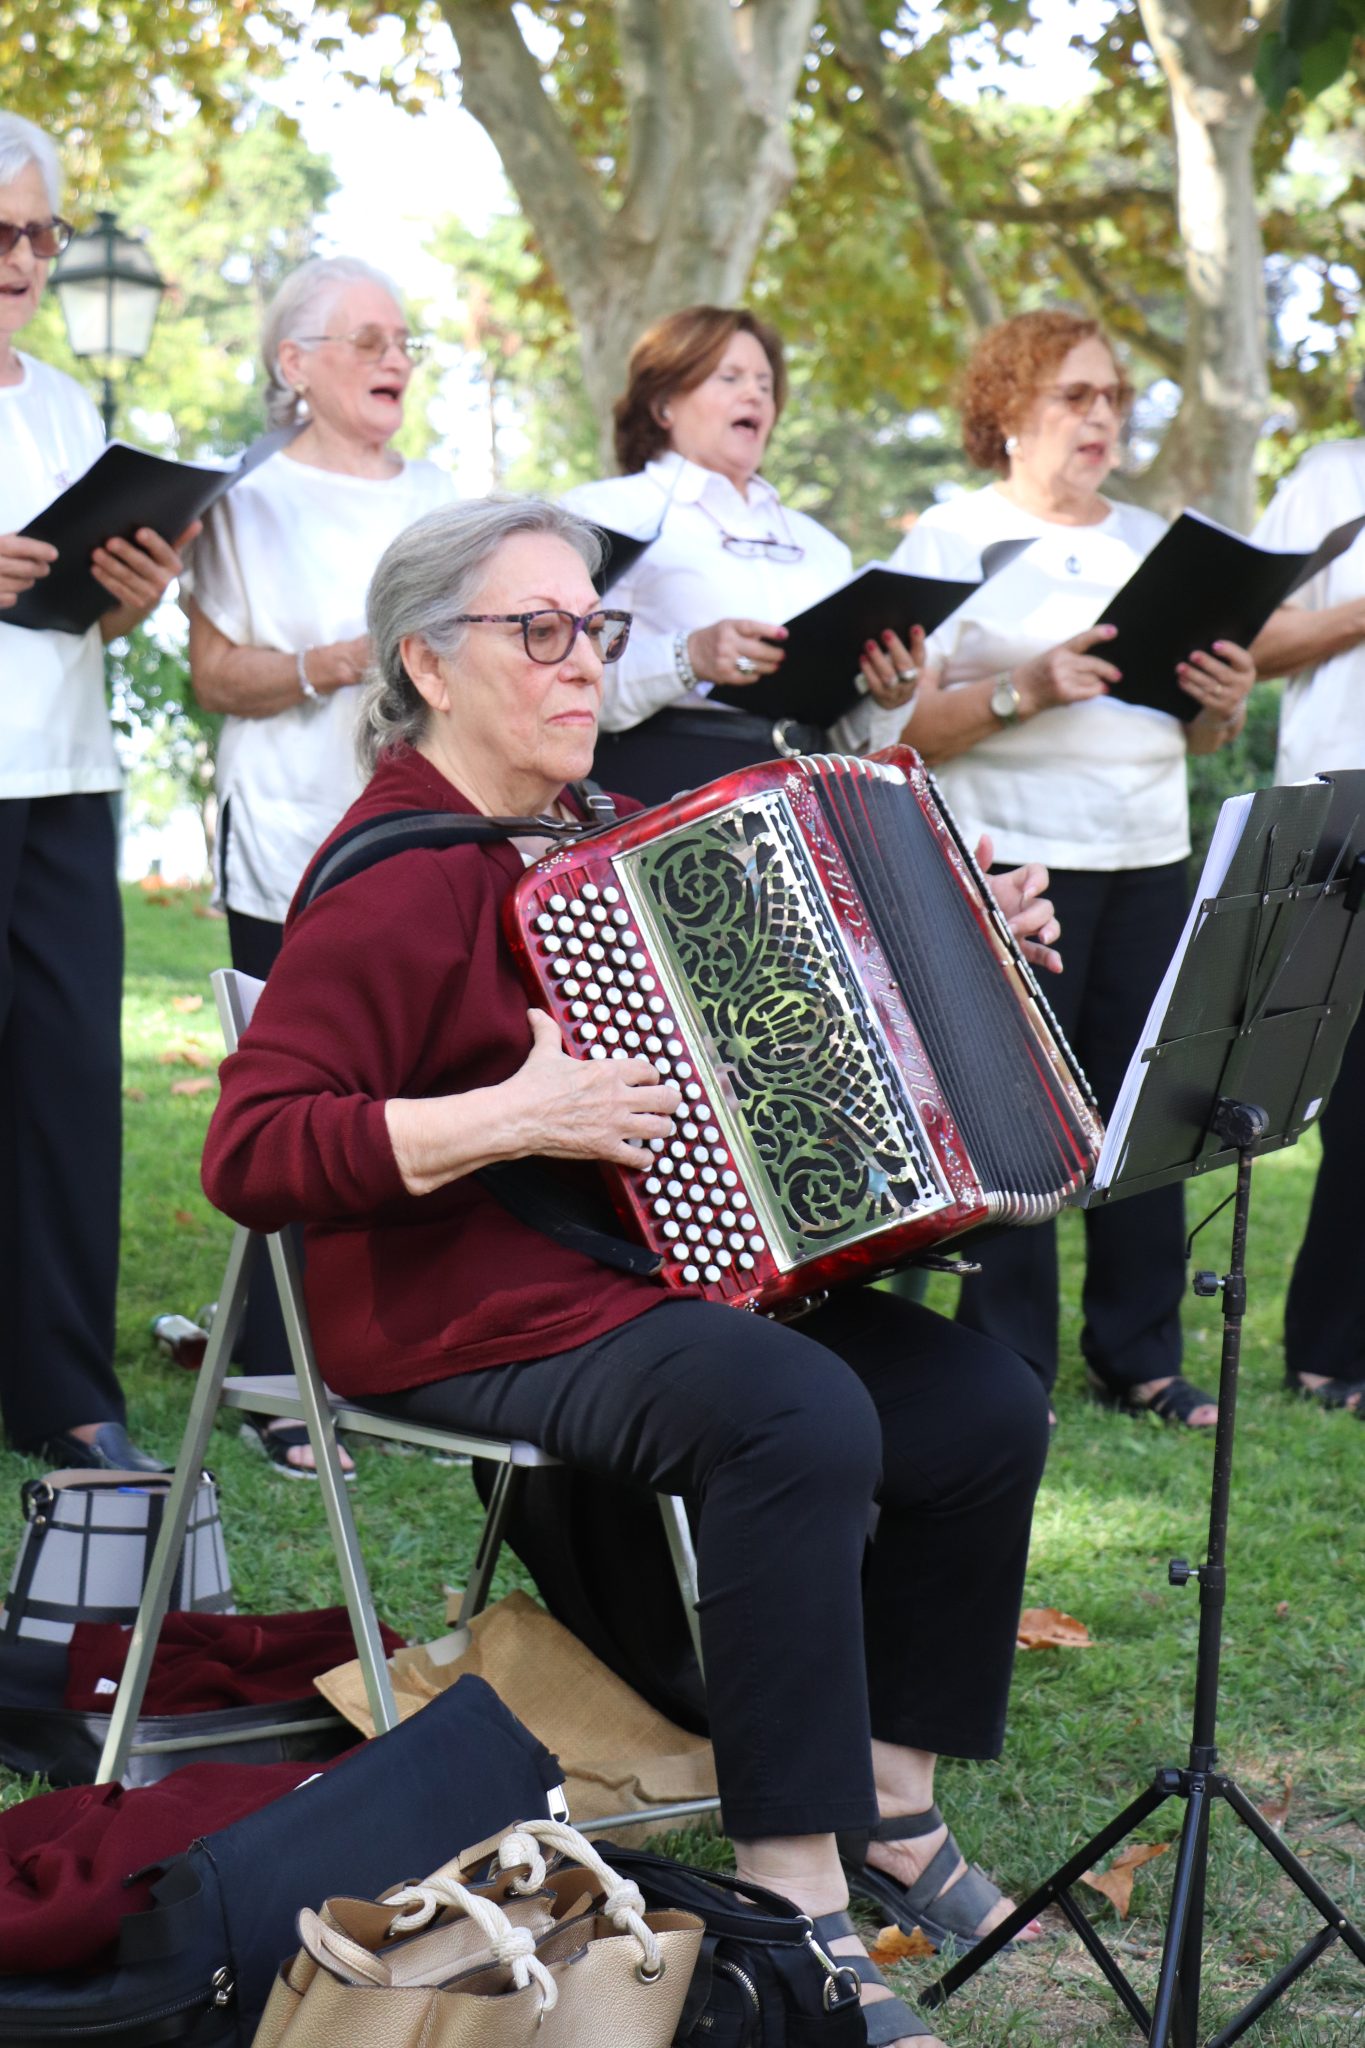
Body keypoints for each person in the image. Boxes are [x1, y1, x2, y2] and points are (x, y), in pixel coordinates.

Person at [201, 497, 1063, 2048]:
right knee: (793, 1412)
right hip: (452, 1300)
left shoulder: (601, 830)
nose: (582, 662)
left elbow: (777, 1021)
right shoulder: (398, 876)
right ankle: (795, 1905)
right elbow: (252, 1149)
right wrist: (504, 1118)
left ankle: (890, 1804)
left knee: (979, 1404)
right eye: (535, 631)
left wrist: (956, 942)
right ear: (428, 666)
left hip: (626, 1265)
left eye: (591, 629)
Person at [864, 311, 1257, 1431]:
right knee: (1019, 1115)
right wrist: (1023, 689)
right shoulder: (953, 537)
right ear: (1007, 409)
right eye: (1072, 396)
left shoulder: (1154, 541)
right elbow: (894, 735)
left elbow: (1194, 737)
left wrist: (1221, 707)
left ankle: (1141, 1356)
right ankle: (1006, 1365)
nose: (1101, 417)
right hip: (1013, 862)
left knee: (1149, 1111)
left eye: (1113, 397)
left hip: (1149, 854)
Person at [184, 253, 456, 1473]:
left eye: (404, 340)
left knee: (427, 1089)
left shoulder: (446, 499)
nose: (395, 358)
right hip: (292, 833)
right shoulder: (245, 501)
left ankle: (415, 1356)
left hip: (428, 839)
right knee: (300, 1102)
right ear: (294, 363)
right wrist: (340, 661)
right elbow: (216, 675)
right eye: (367, 340)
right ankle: (281, 1375)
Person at [0, 111, 194, 1471]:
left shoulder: (68, 404)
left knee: (65, 1088)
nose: (23, 259)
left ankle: (65, 1387)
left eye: (40, 234)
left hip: (66, 779)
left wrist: (135, 590)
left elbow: (89, 616)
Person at [562, 305, 917, 806]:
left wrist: (885, 699)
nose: (754, 394)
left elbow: (847, 741)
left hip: (812, 797)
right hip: (665, 794)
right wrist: (689, 656)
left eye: (765, 385)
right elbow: (563, 676)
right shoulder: (605, 512)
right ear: (664, 404)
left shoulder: (822, 545)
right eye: (729, 378)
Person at [1250, 429, 1365, 1414]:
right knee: (1358, 1099)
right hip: (1348, 817)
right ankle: (1330, 1348)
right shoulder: (1331, 479)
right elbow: (1252, 641)